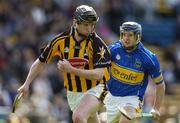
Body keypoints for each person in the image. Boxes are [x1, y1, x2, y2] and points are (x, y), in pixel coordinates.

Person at [18, 5, 111, 123]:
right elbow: (40, 62)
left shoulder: (97, 44)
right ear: (75, 22)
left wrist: (71, 69)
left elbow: (99, 75)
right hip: (73, 92)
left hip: (97, 88)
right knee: (89, 118)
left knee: (78, 116)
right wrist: (26, 84)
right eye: (86, 24)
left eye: (92, 25)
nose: (90, 29)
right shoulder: (60, 41)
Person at [105, 21, 165, 123]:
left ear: (137, 37)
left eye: (130, 35)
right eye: (124, 34)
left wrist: (156, 108)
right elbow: (100, 69)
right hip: (111, 98)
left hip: (132, 99)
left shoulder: (148, 58)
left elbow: (160, 84)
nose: (126, 38)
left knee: (124, 121)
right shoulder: (113, 50)